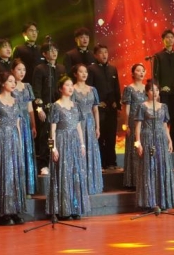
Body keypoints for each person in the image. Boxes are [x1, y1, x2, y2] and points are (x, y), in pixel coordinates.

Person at [47, 76, 90, 220]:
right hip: (61, 141)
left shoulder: (76, 106)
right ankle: (63, 209)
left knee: (75, 173)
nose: (71, 88)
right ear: (60, 88)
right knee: (63, 173)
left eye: (72, 85)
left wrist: (82, 144)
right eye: (67, 85)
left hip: (74, 141)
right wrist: (53, 148)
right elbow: (52, 129)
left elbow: (78, 126)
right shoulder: (56, 106)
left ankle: (74, 207)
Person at [0, 72, 26, 226]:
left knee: (14, 173)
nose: (13, 84)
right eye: (10, 81)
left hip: (14, 139)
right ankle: (2, 212)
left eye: (14, 81)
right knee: (3, 172)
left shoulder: (16, 101)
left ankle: (15, 210)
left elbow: (17, 124)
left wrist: (20, 142)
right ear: (2, 83)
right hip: (1, 139)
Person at [134, 79, 174, 211]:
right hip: (147, 139)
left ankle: (163, 201)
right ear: (147, 92)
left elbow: (165, 125)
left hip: (161, 139)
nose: (155, 92)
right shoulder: (142, 106)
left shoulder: (163, 106)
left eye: (157, 90)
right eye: (152, 90)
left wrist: (169, 140)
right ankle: (149, 202)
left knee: (162, 167)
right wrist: (138, 143)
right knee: (149, 168)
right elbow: (138, 126)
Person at [32, 42, 66, 175]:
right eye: (51, 51)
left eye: (55, 50)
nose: (54, 53)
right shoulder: (40, 69)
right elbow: (37, 90)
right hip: (46, 108)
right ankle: (44, 163)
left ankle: (57, 162)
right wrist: (39, 108)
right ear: (44, 54)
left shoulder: (61, 68)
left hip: (60, 106)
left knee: (59, 134)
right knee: (46, 136)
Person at [87, 44, 121, 170]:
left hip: (111, 108)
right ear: (95, 55)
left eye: (106, 52)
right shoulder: (91, 69)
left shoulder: (113, 69)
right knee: (100, 136)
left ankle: (112, 162)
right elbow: (90, 88)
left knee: (111, 136)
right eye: (101, 52)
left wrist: (117, 103)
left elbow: (116, 87)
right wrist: (96, 103)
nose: (104, 55)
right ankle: (101, 162)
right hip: (99, 108)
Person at [72, 64, 103, 194]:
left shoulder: (92, 90)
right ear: (75, 74)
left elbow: (95, 109)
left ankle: (92, 184)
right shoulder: (72, 89)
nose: (84, 74)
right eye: (81, 72)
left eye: (86, 72)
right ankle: (80, 184)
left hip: (90, 123)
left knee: (91, 150)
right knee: (80, 150)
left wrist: (97, 127)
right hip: (78, 123)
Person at [153, 29, 174, 151]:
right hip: (164, 94)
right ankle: (165, 143)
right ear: (163, 40)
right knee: (165, 119)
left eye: (172, 37)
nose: (170, 39)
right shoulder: (158, 56)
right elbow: (155, 75)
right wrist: (161, 88)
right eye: (167, 37)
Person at [11, 58, 38, 196]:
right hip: (14, 122)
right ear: (12, 71)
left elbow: (30, 107)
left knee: (27, 152)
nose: (22, 72)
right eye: (19, 69)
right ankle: (17, 188)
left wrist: (33, 125)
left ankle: (28, 187)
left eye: (24, 70)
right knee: (17, 151)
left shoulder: (27, 86)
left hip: (26, 122)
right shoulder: (9, 86)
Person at [121, 63, 147, 189]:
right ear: (133, 73)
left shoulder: (147, 88)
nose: (141, 73)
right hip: (133, 120)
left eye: (143, 70)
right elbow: (126, 108)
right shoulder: (129, 89)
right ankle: (133, 179)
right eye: (138, 70)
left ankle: (144, 178)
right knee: (134, 148)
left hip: (146, 121)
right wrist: (126, 124)